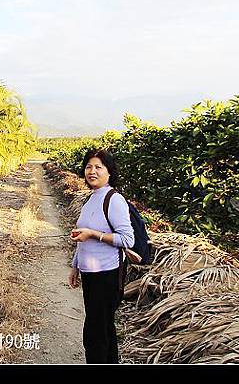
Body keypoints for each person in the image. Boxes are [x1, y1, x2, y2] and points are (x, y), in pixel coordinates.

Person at [67, 149, 134, 364]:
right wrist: (75, 266)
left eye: (98, 167)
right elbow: (82, 235)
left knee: (95, 333)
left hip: (106, 275)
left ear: (109, 172)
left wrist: (94, 234)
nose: (92, 171)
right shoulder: (91, 199)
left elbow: (127, 239)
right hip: (90, 274)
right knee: (104, 329)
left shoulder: (114, 199)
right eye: (88, 166)